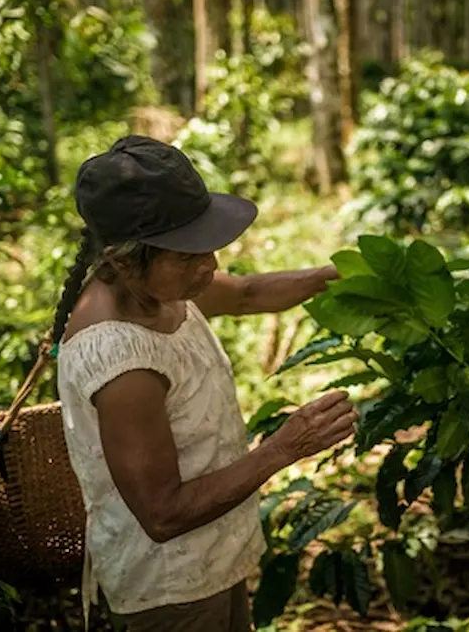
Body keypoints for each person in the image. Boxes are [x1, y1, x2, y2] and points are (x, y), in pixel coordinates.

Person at [51, 135, 358, 632]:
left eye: (207, 249)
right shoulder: (121, 363)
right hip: (169, 592)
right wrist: (284, 448)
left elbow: (247, 293)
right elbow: (163, 514)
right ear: (124, 260)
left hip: (210, 564)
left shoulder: (157, 286)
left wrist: (340, 276)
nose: (209, 266)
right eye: (189, 255)